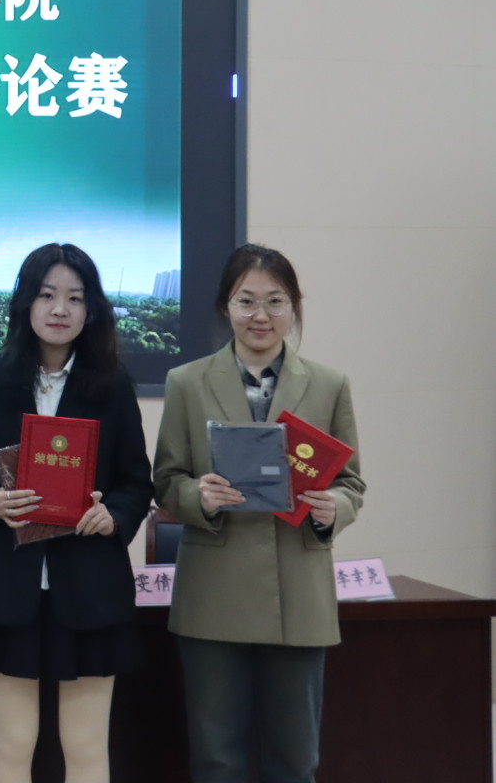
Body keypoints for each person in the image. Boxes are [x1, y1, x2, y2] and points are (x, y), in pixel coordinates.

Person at [153, 244, 364, 783]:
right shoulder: (186, 382)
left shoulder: (329, 384)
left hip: (299, 590)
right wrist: (198, 496)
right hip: (213, 592)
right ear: (226, 307)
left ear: (294, 307)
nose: (260, 315)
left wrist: (332, 508)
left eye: (275, 301)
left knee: (295, 761)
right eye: (246, 301)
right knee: (216, 759)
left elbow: (351, 484)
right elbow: (167, 480)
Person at [0, 243, 153, 783]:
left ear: (91, 310)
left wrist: (115, 515)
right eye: (47, 295)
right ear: (26, 303)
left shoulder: (112, 387)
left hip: (89, 591)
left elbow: (136, 481)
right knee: (13, 743)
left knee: (84, 746)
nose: (60, 309)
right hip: (6, 588)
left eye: (75, 298)